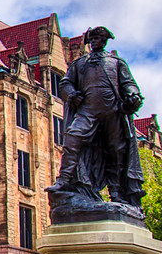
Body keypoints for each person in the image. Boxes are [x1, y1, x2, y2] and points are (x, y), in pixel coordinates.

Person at [46, 26, 145, 208]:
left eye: (97, 38)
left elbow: (128, 83)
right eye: (91, 38)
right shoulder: (80, 63)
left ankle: (115, 191)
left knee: (116, 150)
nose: (93, 42)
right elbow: (66, 82)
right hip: (88, 110)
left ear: (105, 40)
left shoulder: (116, 63)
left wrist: (133, 95)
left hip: (112, 111)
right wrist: (71, 94)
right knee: (72, 138)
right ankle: (64, 179)